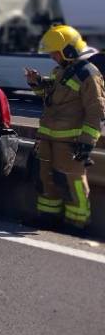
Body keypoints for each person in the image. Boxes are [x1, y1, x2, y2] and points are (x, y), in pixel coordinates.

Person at [25, 25, 104, 233]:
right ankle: (48, 218)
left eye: (55, 52)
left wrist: (87, 143)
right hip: (48, 138)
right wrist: (37, 83)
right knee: (46, 180)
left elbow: (96, 112)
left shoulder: (89, 74)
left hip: (70, 143)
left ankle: (77, 222)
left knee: (73, 182)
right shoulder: (61, 71)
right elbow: (51, 97)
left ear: (68, 50)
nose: (52, 56)